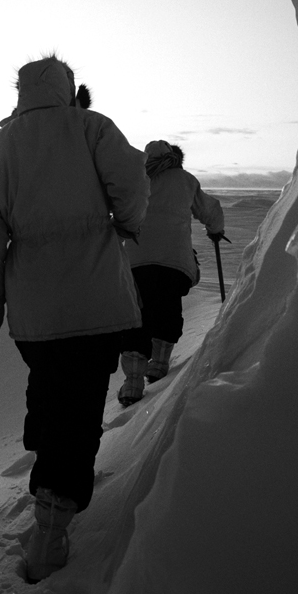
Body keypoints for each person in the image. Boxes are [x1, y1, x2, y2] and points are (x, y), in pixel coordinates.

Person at [0, 56, 149, 582]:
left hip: (35, 314)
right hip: (95, 303)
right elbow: (132, 182)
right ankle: (52, 523)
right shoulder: (93, 128)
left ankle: (46, 461)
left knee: (50, 387)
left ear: (21, 92)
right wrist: (127, 224)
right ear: (68, 88)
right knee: (81, 406)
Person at [118, 140, 227, 406]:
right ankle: (159, 365)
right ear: (174, 158)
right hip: (174, 262)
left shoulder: (135, 179)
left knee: (137, 317)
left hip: (135, 262)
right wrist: (216, 231)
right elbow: (209, 209)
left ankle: (132, 383)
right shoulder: (185, 180)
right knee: (167, 307)